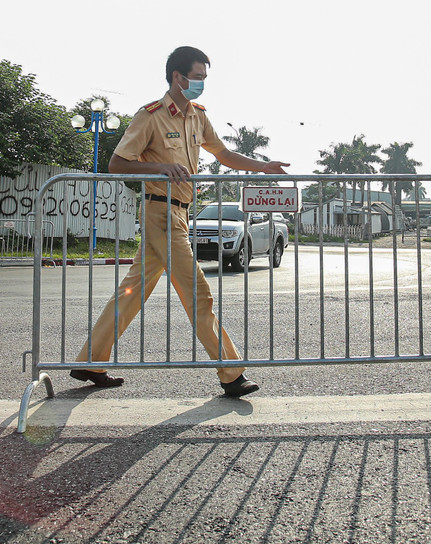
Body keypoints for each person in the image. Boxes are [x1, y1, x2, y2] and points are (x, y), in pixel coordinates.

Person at [71, 46, 290, 398]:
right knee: (198, 293)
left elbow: (223, 154)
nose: (201, 84)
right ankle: (231, 373)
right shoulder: (151, 116)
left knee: (131, 292)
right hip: (159, 212)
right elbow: (117, 164)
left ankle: (89, 360)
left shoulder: (198, 116)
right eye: (198, 77)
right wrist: (160, 167)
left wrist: (262, 167)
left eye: (204, 78)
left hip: (181, 213)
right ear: (177, 76)